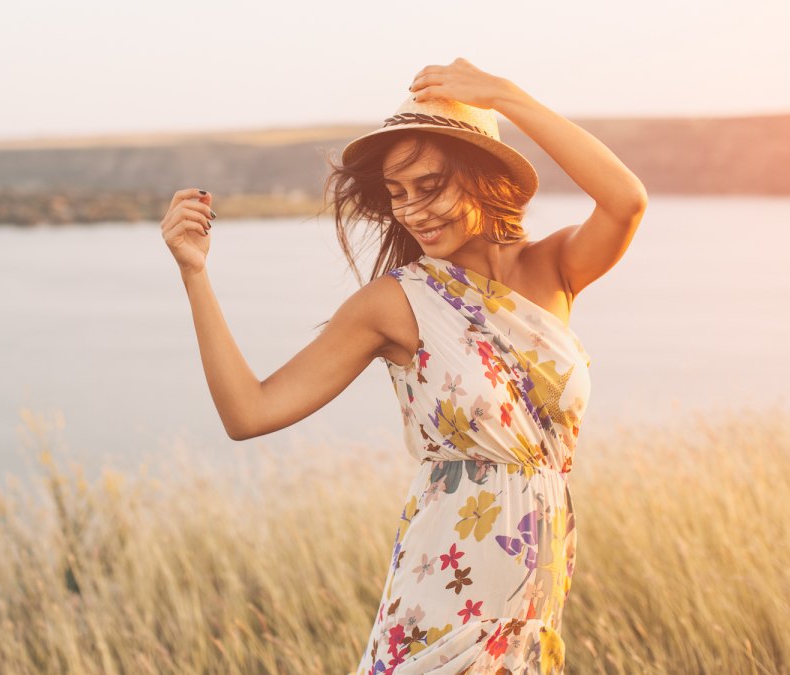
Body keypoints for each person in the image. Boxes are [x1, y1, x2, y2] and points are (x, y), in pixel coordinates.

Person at [159, 57, 647, 674]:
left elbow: (626, 200)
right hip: (441, 602)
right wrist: (195, 274)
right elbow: (248, 412)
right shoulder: (396, 302)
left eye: (430, 185)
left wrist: (504, 96)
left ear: (482, 178)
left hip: (530, 608)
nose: (412, 210)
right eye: (397, 194)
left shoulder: (553, 271)